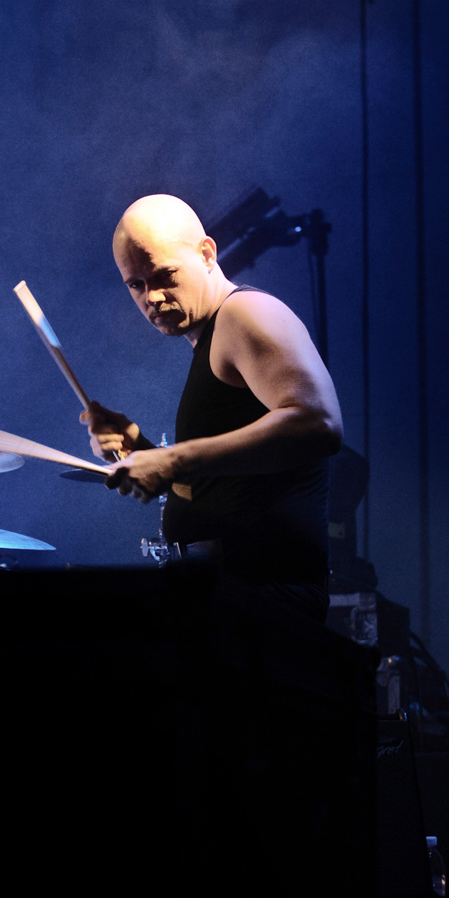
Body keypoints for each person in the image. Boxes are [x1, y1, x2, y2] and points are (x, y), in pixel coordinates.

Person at [82, 194, 342, 616]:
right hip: (236, 598)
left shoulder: (246, 313)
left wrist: (173, 460)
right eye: (136, 284)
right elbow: (230, 486)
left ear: (206, 254)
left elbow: (319, 424)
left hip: (267, 604)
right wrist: (142, 450)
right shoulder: (213, 335)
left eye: (165, 275)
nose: (152, 297)